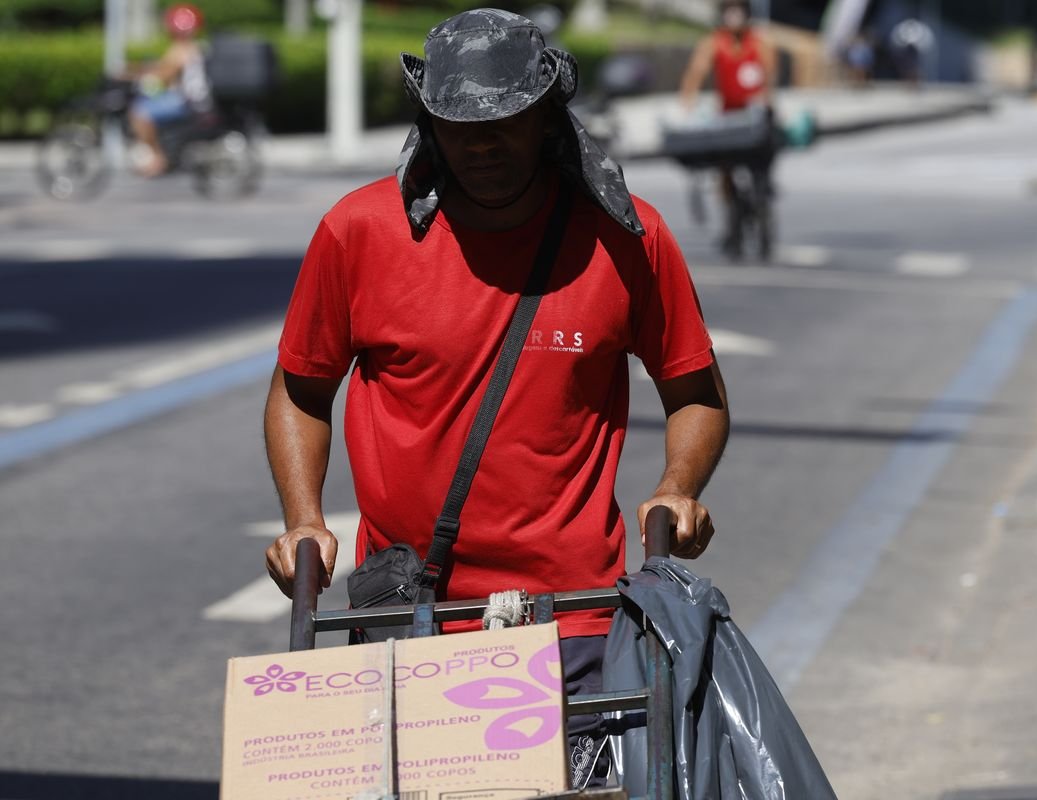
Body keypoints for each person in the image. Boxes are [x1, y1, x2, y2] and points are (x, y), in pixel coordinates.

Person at [260, 9, 729, 786]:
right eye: (457, 124)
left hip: (574, 618)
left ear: (546, 115)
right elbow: (300, 390)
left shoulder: (628, 238)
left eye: (506, 121)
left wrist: (677, 490)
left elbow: (695, 390)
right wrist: (302, 519)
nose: (482, 143)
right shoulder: (359, 232)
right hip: (407, 614)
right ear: (428, 123)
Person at [679, 0, 780, 256]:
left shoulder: (759, 43)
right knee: (724, 169)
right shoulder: (714, 42)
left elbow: (769, 79)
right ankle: (730, 223)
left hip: (755, 118)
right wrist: (688, 103)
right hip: (728, 118)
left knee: (762, 169)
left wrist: (766, 100)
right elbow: (696, 72)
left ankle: (764, 208)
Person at [128, 3, 211, 177]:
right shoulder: (196, 47)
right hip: (195, 99)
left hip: (186, 101)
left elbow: (164, 74)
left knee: (140, 112)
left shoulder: (180, 49)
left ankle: (157, 157)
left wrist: (135, 74)